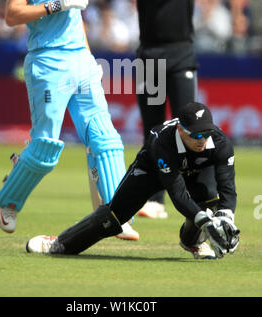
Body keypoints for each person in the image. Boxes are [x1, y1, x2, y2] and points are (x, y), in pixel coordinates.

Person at [0, 0, 138, 241]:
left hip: (81, 62)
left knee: (105, 138)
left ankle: (119, 213)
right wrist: (53, 6)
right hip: (48, 63)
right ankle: (10, 202)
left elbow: (75, 21)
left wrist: (89, 59)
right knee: (45, 146)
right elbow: (12, 15)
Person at [26, 102, 240, 260]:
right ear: (181, 130)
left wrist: (226, 219)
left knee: (211, 195)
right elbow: (177, 193)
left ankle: (193, 241)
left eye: (206, 134)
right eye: (196, 135)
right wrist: (206, 222)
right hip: (151, 171)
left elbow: (228, 187)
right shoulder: (161, 140)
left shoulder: (220, 143)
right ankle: (59, 243)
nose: (202, 140)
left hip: (192, 171)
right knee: (112, 217)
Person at [128, 0, 209, 219]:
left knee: (188, 126)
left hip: (181, 57)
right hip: (149, 57)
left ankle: (196, 194)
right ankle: (156, 200)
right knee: (153, 129)